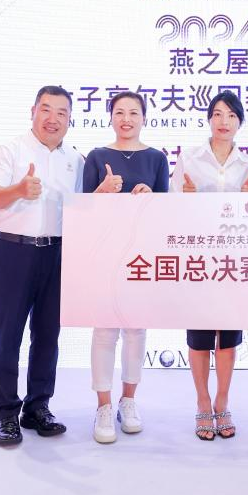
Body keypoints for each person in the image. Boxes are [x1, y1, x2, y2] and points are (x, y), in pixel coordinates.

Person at [0, 86, 84, 446]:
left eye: (61, 112)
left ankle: (38, 407)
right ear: (33, 112)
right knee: (6, 335)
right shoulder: (10, 150)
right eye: (46, 109)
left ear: (70, 119)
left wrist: (102, 193)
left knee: (47, 335)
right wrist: (18, 190)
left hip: (57, 254)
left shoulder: (76, 159)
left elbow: (82, 207)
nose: (53, 119)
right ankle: (7, 415)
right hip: (14, 252)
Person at [170, 91, 248, 441]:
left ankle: (222, 401)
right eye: (217, 114)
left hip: (235, 259)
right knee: (199, 336)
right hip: (198, 257)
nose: (223, 121)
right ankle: (202, 402)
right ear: (209, 119)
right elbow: (172, 207)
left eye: (231, 115)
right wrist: (187, 200)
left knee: (227, 336)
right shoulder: (189, 158)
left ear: (240, 121)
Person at [82, 91, 170, 444]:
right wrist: (102, 191)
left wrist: (152, 198)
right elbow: (83, 212)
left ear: (144, 118)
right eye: (120, 112)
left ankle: (128, 401)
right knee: (104, 329)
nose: (127, 119)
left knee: (135, 330)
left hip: (141, 257)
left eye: (134, 112)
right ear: (110, 117)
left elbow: (166, 215)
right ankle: (103, 405)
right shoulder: (96, 156)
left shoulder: (157, 158)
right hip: (104, 255)